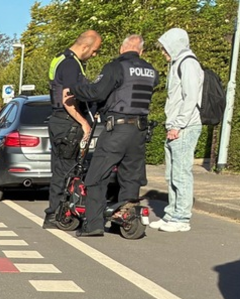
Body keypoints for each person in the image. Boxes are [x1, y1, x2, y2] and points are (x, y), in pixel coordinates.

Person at [71, 35, 159, 236]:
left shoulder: (116, 67)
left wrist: (76, 89)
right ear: (141, 51)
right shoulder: (150, 70)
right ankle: (126, 219)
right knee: (131, 178)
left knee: (96, 176)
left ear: (122, 48)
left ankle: (93, 225)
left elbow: (97, 92)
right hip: (139, 131)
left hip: (117, 129)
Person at [44, 30, 102, 228]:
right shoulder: (71, 64)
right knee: (66, 170)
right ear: (85, 46)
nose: (94, 54)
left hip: (59, 121)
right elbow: (68, 99)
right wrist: (84, 123)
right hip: (67, 123)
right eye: (94, 50)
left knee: (60, 169)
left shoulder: (62, 59)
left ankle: (57, 213)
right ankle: (55, 215)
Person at [151, 28, 204, 232]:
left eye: (165, 47)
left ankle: (181, 217)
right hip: (176, 125)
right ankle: (171, 214)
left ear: (175, 45)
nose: (163, 52)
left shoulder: (188, 63)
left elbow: (190, 98)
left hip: (185, 126)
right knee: (171, 173)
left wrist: (178, 125)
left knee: (181, 173)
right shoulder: (177, 63)